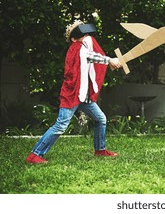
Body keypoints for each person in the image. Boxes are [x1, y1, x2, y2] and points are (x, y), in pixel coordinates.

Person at [26, 20, 122, 164]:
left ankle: (100, 150)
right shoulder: (77, 48)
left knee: (100, 119)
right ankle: (35, 155)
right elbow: (91, 56)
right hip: (72, 95)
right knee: (61, 125)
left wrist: (109, 61)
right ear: (74, 38)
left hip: (83, 97)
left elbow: (91, 58)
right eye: (83, 35)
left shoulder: (83, 47)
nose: (86, 36)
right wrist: (109, 60)